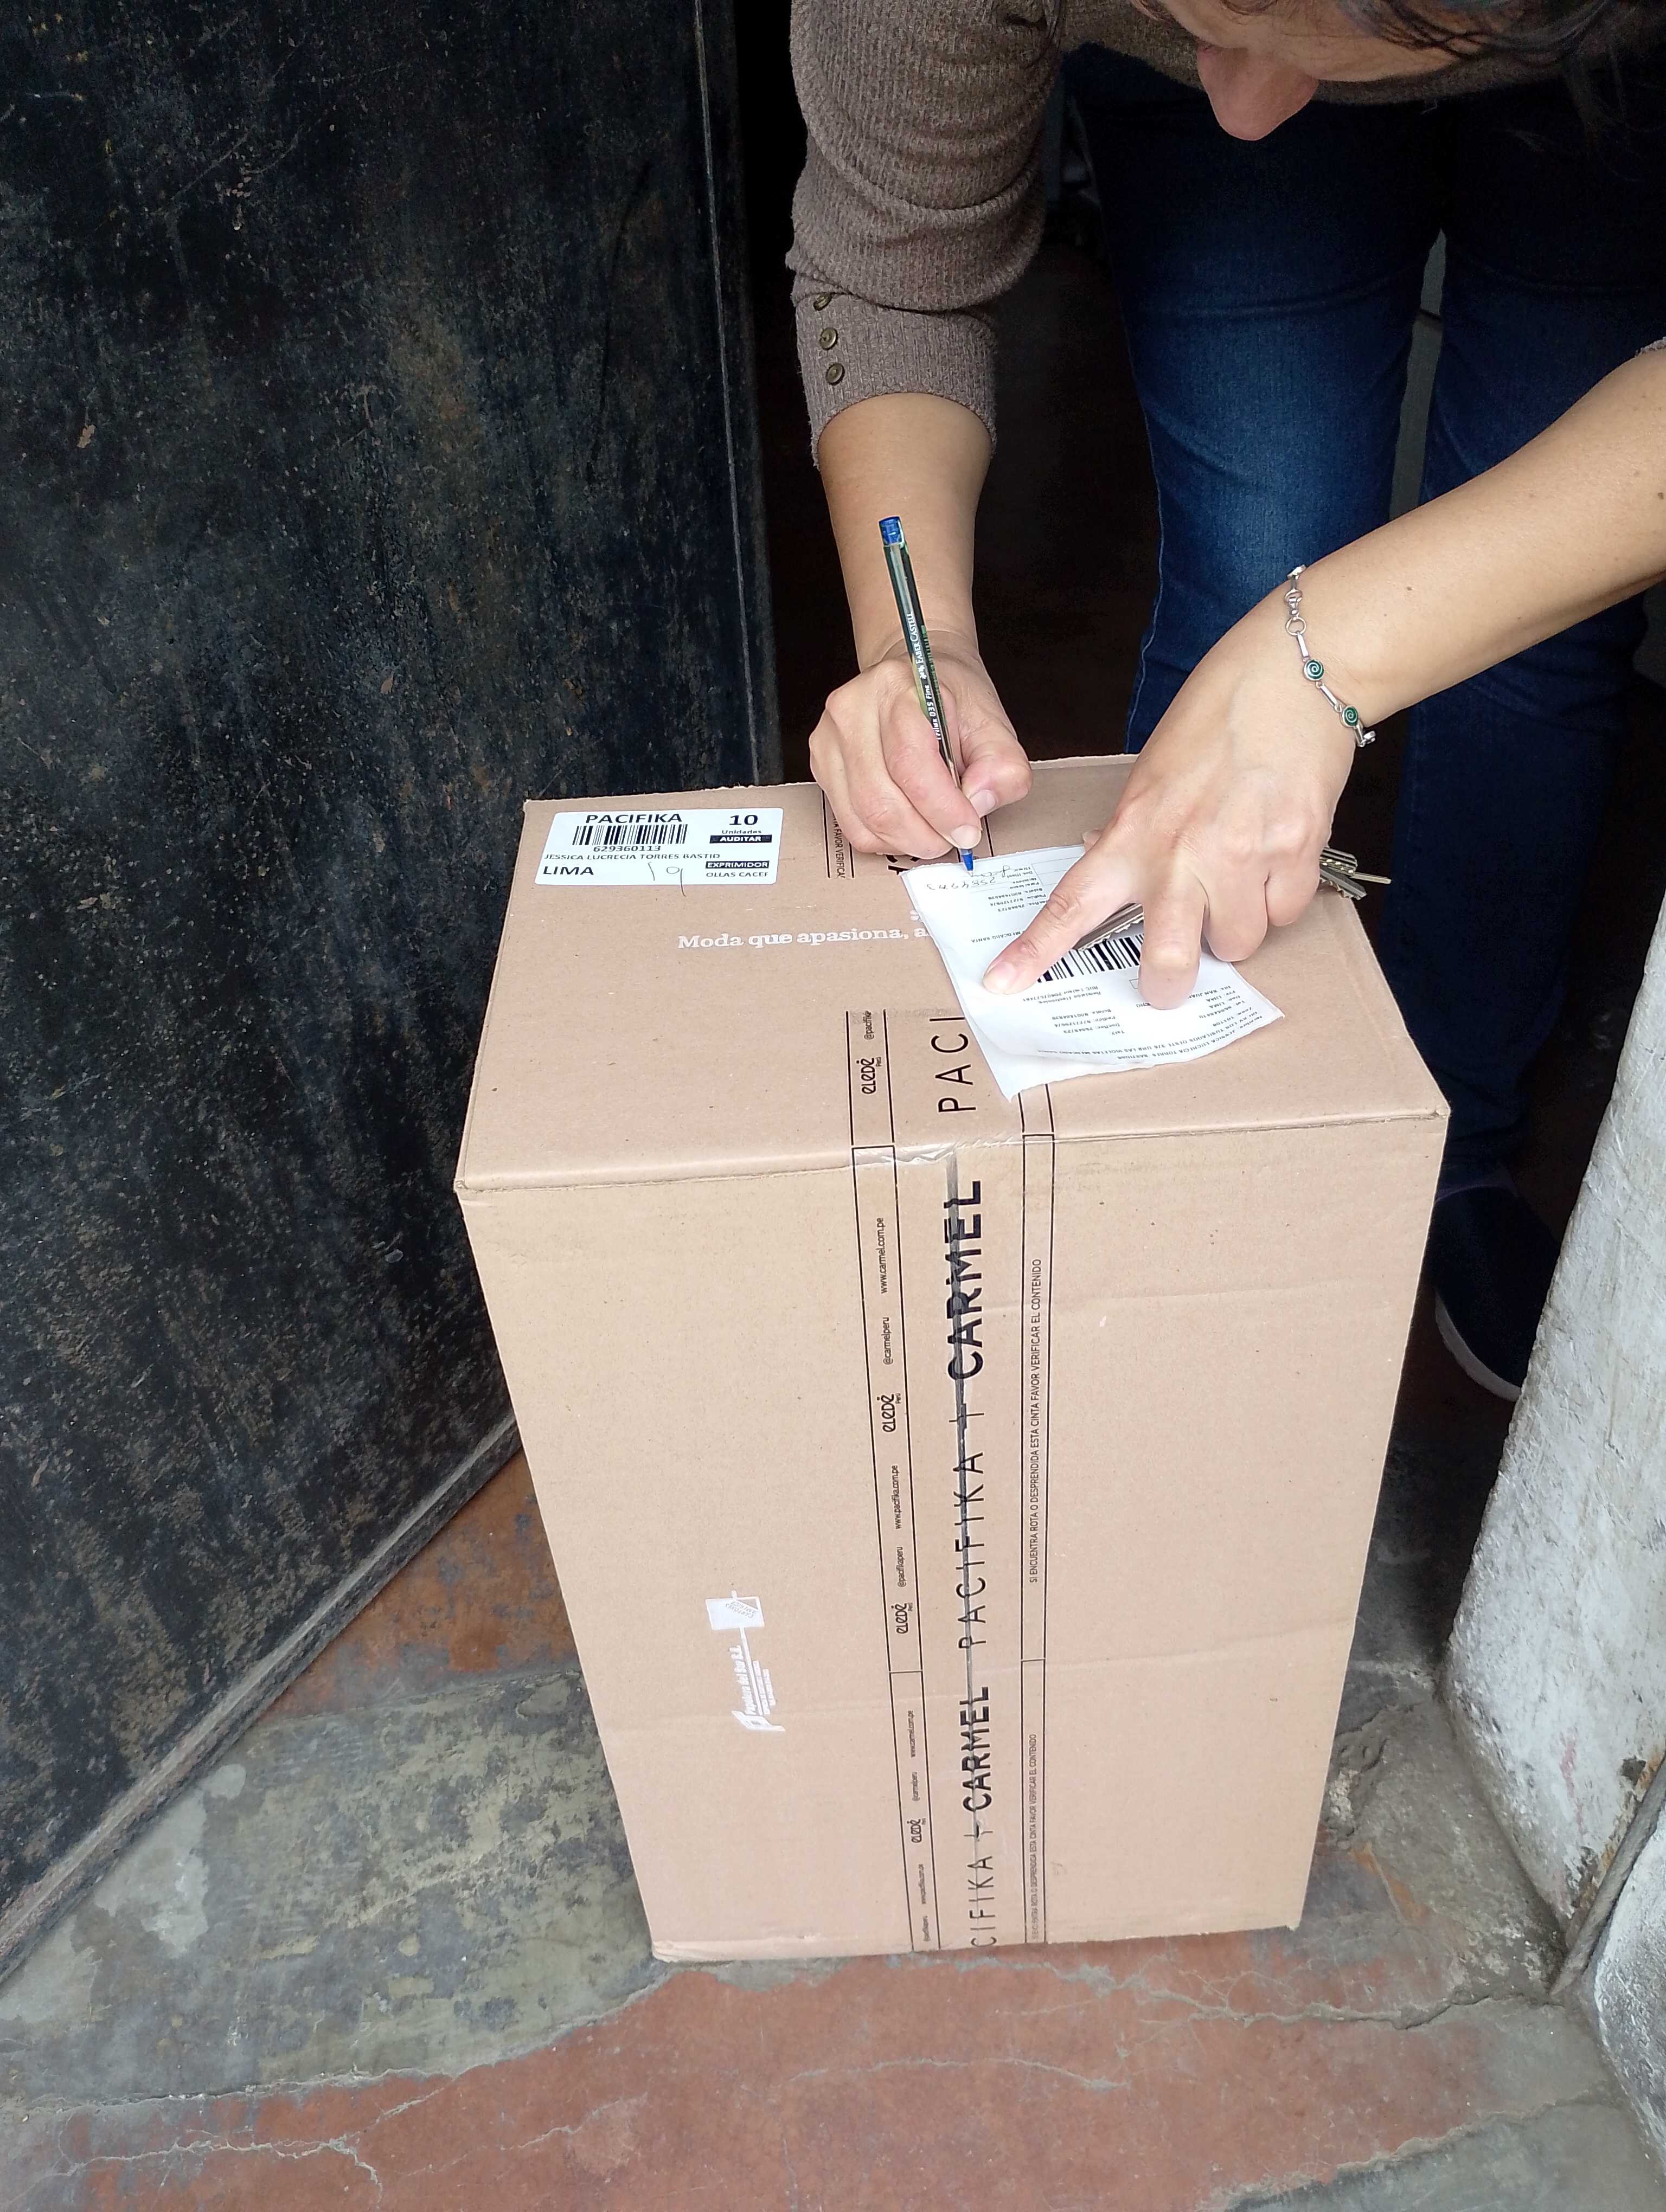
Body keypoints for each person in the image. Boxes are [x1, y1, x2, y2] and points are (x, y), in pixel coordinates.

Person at [789, 0, 1666, 1399]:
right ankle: (1180, 1144)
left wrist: (1328, 656)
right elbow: (897, 275)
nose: (1245, 106)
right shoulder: (1192, 81)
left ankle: (1456, 1142)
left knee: (1530, 644)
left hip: (1610, 89)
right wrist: (919, 639)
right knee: (1249, 571)